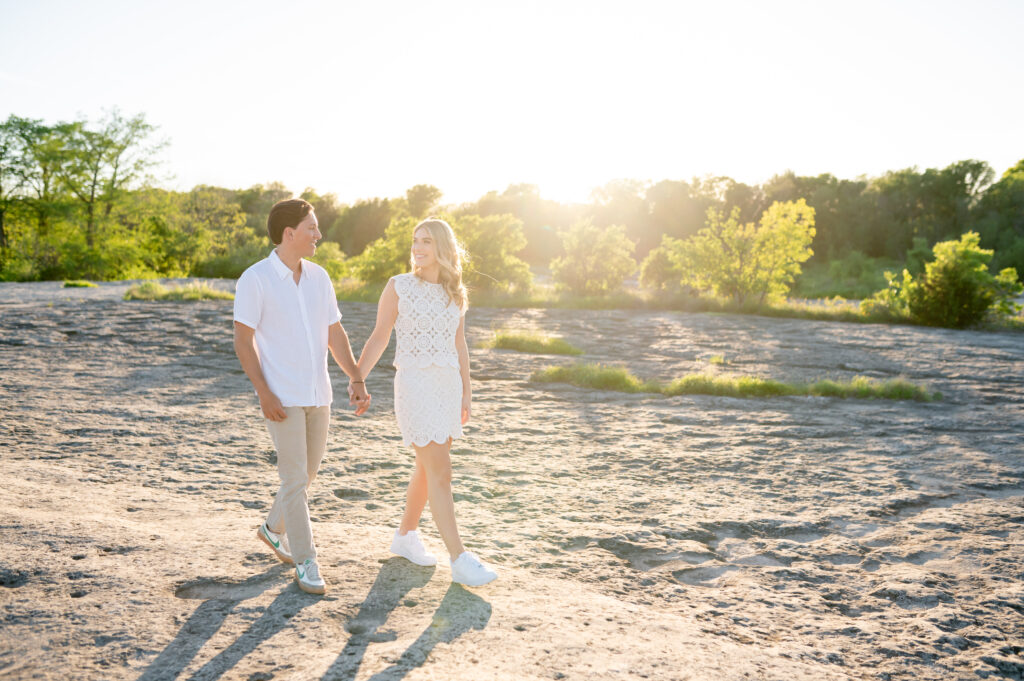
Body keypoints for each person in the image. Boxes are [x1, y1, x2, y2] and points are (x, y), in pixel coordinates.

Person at [233, 198, 369, 595]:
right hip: (282, 396)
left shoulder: (320, 277)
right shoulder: (254, 279)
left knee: (307, 475)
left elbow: (334, 333)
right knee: (294, 479)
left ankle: (272, 529)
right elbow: (243, 341)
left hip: (318, 393)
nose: (319, 235)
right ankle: (306, 561)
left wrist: (356, 378)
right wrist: (263, 393)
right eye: (312, 227)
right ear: (289, 233)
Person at [353, 217, 497, 587]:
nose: (418, 248)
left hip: (446, 386)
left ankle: (405, 536)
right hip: (415, 385)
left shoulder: (456, 292)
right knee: (441, 472)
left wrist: (467, 390)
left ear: (443, 249)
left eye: (427, 242)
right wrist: (358, 376)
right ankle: (460, 559)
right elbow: (380, 336)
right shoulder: (399, 286)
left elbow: (459, 344)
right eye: (416, 241)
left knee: (426, 466)